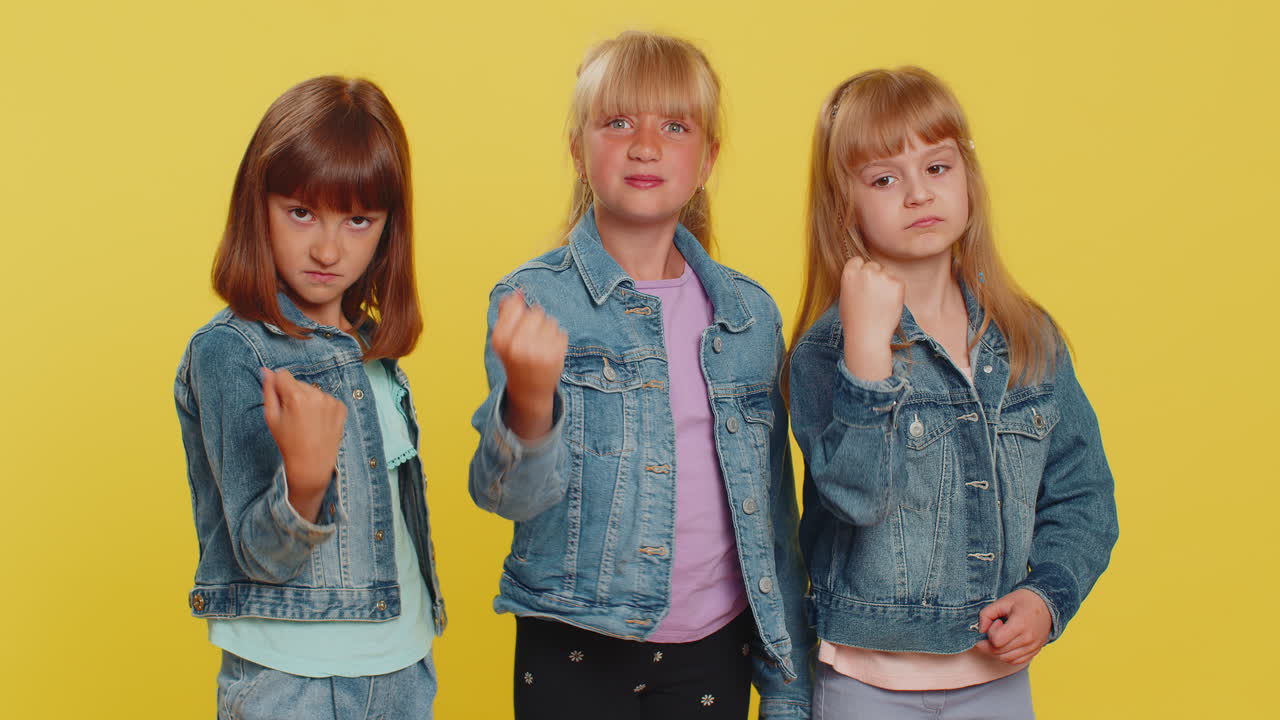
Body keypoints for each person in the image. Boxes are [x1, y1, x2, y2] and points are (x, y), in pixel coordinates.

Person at [468, 30, 813, 720]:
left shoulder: (749, 315)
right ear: (577, 148)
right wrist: (531, 408)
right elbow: (505, 496)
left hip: (715, 648)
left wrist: (787, 684)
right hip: (574, 640)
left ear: (708, 157)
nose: (646, 145)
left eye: (675, 126)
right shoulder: (534, 300)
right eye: (618, 121)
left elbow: (775, 516)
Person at [787, 67, 1118, 719]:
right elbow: (857, 497)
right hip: (864, 680)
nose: (917, 194)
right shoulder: (828, 350)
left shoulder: (1027, 338)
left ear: (967, 177)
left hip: (994, 676)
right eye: (884, 178)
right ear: (844, 203)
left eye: (936, 167)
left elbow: (1084, 494)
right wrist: (868, 352)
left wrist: (1047, 595)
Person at [174, 75, 444, 719]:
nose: (327, 248)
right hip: (289, 681)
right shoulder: (232, 352)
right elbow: (259, 554)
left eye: (358, 220)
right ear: (257, 206)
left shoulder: (373, 351)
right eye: (301, 212)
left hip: (402, 666)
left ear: (388, 228)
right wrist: (302, 482)